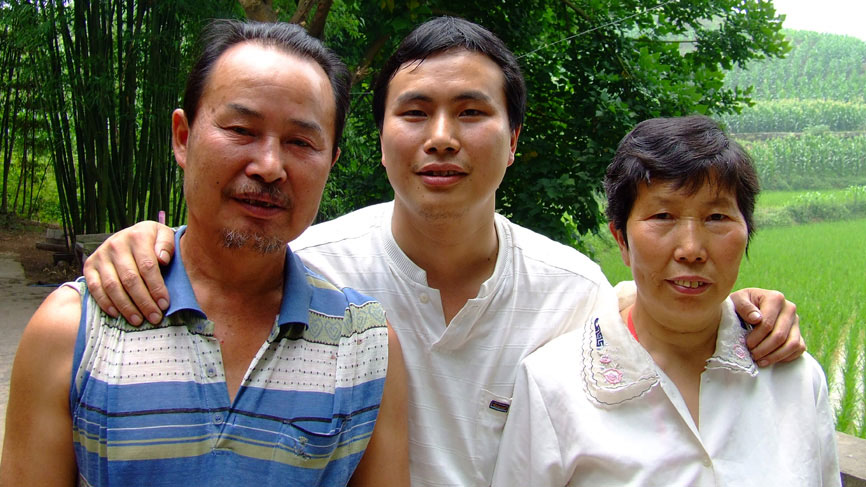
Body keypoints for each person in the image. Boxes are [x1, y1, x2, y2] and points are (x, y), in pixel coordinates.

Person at [78, 17, 804, 486]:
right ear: (376, 138)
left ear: (514, 141)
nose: (442, 137)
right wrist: (147, 244)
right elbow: (218, 266)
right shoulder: (312, 263)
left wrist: (747, 314)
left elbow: (659, 318)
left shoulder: (572, 288)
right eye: (415, 111)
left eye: (473, 112)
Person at [0, 20, 408, 486]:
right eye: (240, 129)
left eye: (300, 142)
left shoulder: (366, 347)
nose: (270, 166)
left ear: (330, 162)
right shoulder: (76, 328)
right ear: (182, 136)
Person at [492, 115, 839, 486]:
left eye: (717, 216)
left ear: (747, 232)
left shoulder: (795, 378)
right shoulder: (554, 385)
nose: (691, 249)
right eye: (663, 216)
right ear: (622, 239)